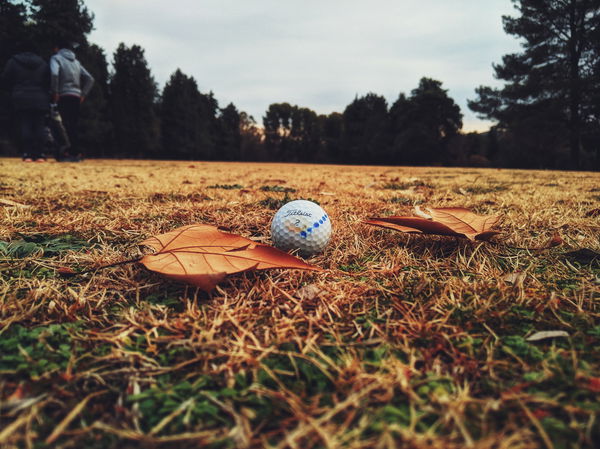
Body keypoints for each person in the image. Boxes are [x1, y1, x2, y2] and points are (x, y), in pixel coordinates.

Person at [0, 39, 50, 162]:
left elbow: (5, 79)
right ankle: (40, 154)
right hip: (40, 97)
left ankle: (27, 153)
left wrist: (13, 90)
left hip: (20, 96)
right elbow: (48, 81)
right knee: (39, 125)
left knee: (25, 124)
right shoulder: (43, 63)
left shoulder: (13, 61)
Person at [50, 40, 94, 161]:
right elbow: (90, 79)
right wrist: (83, 94)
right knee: (73, 125)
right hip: (76, 96)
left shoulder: (56, 58)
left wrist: (55, 91)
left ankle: (65, 151)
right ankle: (76, 151)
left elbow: (54, 74)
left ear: (57, 48)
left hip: (63, 95)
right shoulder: (76, 62)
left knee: (61, 125)